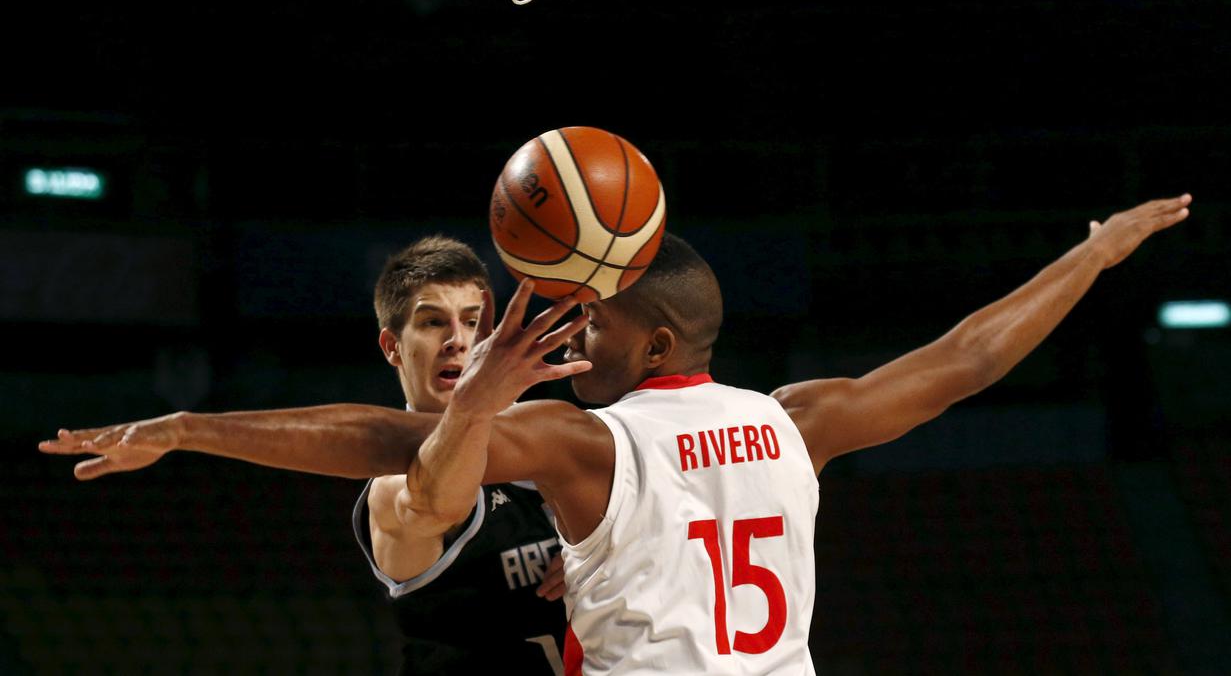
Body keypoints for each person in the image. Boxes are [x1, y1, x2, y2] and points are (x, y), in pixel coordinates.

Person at [42, 194, 1192, 674]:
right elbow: (966, 357)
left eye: (591, 321)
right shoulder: (795, 419)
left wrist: (188, 425)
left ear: (653, 345)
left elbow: (386, 436)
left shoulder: (587, 441)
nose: (570, 333)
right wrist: (1090, 255)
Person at [358, 235, 567, 674]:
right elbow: (435, 497)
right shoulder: (395, 486)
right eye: (433, 322)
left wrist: (605, 557)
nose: (457, 339)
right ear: (392, 347)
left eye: (472, 322)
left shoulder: (548, 438)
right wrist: (475, 407)